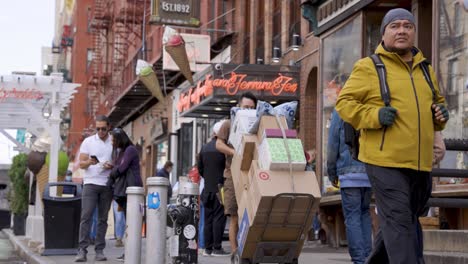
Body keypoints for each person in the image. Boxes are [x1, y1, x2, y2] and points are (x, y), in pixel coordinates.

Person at [335, 8, 449, 264]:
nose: (401, 31)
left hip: (419, 162)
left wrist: (441, 115)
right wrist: (375, 116)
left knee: (404, 218)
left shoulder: (425, 69)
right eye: (395, 26)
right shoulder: (368, 67)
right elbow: (344, 104)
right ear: (384, 33)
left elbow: (437, 104)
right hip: (384, 160)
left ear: (413, 33)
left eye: (407, 26)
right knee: (399, 219)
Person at [327, 110, 372, 264]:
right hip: (369, 172)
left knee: (352, 217)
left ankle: (359, 260)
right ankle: (367, 257)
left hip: (349, 173)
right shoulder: (369, 104)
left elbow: (333, 143)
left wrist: (331, 172)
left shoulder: (341, 109)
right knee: (364, 214)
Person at [216, 92, 257, 257]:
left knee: (252, 214)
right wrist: (235, 152)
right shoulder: (228, 123)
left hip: (251, 174)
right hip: (232, 176)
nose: (249, 110)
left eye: (252, 108)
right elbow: (219, 144)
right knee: (234, 216)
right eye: (246, 107)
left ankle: (249, 250)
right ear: (238, 107)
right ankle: (235, 253)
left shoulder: (256, 123)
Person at [75, 115, 114, 262]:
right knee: (86, 217)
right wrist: (90, 162)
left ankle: (99, 250)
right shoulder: (88, 141)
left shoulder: (113, 141)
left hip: (107, 184)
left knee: (103, 219)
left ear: (108, 127)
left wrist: (111, 165)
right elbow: (82, 164)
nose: (101, 131)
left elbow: (119, 161)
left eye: (103, 128)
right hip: (90, 183)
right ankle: (82, 251)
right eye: (98, 129)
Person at [107, 127, 143, 262]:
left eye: (114, 139)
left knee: (132, 222)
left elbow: (122, 168)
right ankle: (129, 251)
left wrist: (112, 173)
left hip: (132, 190)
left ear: (120, 139)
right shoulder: (122, 151)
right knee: (129, 221)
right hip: (126, 190)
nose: (112, 142)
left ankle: (131, 252)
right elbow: (119, 167)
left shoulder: (130, 150)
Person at [198, 121, 229, 257]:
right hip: (220, 188)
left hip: (207, 188)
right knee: (219, 218)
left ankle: (208, 248)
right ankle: (217, 247)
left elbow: (200, 169)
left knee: (207, 219)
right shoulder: (224, 148)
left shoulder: (204, 148)